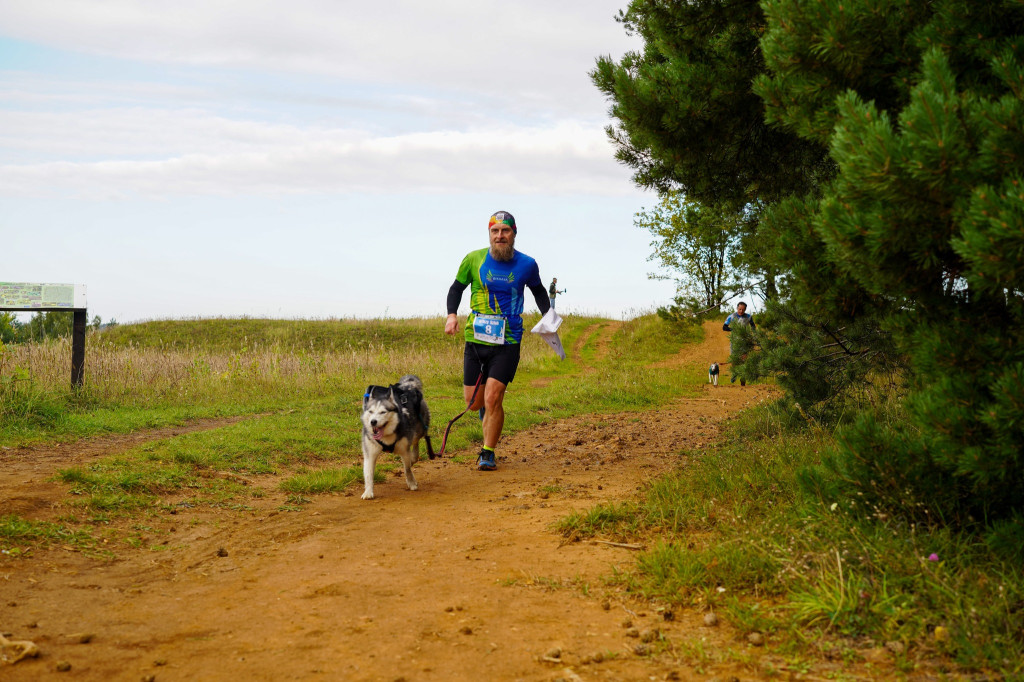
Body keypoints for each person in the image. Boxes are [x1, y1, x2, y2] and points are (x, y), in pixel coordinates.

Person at [445, 211, 550, 471]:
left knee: (493, 397)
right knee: (474, 403)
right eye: (495, 231)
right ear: (489, 234)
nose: (500, 236)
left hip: (508, 340)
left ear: (514, 233)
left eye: (505, 231)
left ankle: (488, 452)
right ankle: (486, 411)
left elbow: (539, 291)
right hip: (476, 339)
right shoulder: (474, 259)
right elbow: (456, 288)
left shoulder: (527, 264)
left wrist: (548, 317)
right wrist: (451, 316)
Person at [723, 301, 755, 385]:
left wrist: (754, 335)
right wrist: (733, 329)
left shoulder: (748, 317)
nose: (741, 311)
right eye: (740, 309)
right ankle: (734, 374)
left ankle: (743, 378)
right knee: (734, 360)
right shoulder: (731, 316)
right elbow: (724, 327)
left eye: (743, 310)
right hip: (734, 341)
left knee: (744, 360)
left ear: (745, 309)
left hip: (745, 341)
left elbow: (753, 326)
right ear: (737, 308)